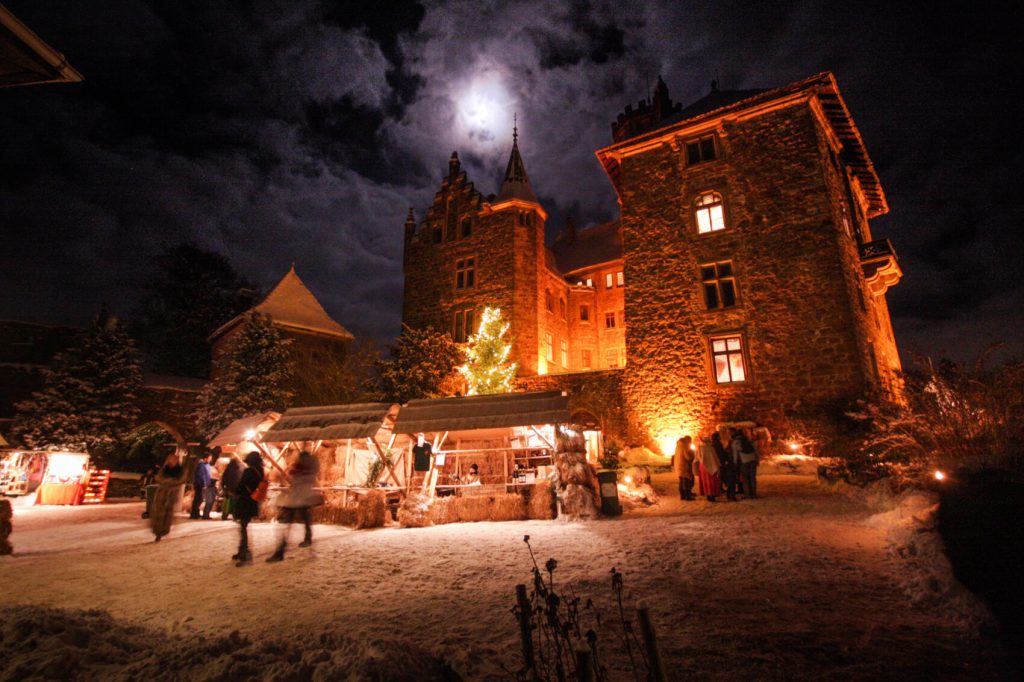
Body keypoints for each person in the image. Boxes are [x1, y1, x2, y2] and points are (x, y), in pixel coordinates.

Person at [267, 451, 321, 563]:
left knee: (287, 524)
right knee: (304, 520)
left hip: (298, 497)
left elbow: (296, 479)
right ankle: (307, 540)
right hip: (303, 497)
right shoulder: (311, 468)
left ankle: (280, 551)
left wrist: (294, 472)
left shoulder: (302, 469)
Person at [234, 452, 264, 566]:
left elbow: (240, 486)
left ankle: (245, 554)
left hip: (245, 501)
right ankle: (242, 550)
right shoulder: (260, 471)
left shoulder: (249, 471)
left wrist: (236, 491)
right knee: (243, 526)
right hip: (253, 501)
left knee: (243, 527)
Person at [150, 453, 186, 542]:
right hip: (162, 492)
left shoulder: (179, 469)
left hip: (171, 493)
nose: (171, 461)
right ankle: (157, 531)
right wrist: (165, 481)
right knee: (158, 511)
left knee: (167, 513)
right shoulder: (165, 468)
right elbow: (159, 477)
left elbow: (181, 479)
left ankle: (163, 530)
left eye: (173, 459)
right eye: (169, 459)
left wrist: (170, 482)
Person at [695, 436, 722, 502]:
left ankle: (708, 495)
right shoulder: (710, 448)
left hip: (703, 467)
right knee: (711, 481)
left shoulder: (700, 448)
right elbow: (715, 458)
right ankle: (711, 495)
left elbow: (698, 457)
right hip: (708, 467)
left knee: (706, 481)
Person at [190, 453, 215, 519]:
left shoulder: (207, 465)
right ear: (205, 458)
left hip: (205, 484)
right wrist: (203, 484)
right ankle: (194, 514)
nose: (210, 460)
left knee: (200, 499)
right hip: (200, 485)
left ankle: (195, 513)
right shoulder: (201, 465)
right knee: (198, 499)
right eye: (209, 458)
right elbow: (201, 475)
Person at [220, 453, 244, 521]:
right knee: (236, 502)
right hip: (238, 488)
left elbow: (224, 477)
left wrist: (223, 486)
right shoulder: (242, 466)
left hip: (229, 488)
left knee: (227, 502)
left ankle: (225, 515)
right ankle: (235, 516)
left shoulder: (229, 467)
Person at [737, 428, 760, 498]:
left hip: (744, 461)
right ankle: (754, 493)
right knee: (752, 478)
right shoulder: (750, 442)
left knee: (745, 479)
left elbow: (736, 454)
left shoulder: (737, 442)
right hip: (752, 460)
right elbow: (756, 452)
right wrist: (757, 460)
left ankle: (747, 494)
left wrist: (736, 462)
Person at [716, 431, 738, 501]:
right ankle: (731, 496)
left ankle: (729, 495)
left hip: (727, 465)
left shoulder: (726, 448)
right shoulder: (730, 448)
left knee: (729, 481)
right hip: (730, 465)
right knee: (732, 481)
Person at [673, 435, 695, 500]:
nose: (691, 442)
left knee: (682, 481)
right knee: (686, 481)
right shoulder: (684, 446)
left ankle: (682, 495)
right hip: (684, 466)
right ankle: (687, 496)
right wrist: (692, 454)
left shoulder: (678, 445)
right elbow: (687, 457)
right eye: (690, 441)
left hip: (679, 465)